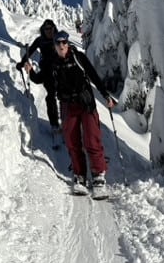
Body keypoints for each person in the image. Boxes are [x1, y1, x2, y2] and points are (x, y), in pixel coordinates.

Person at [25, 30, 117, 196]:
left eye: (64, 42)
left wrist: (105, 95)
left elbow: (93, 76)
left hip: (86, 102)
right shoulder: (51, 62)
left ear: (68, 43)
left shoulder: (78, 57)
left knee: (91, 139)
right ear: (54, 45)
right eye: (58, 42)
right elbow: (39, 79)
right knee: (72, 141)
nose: (62, 45)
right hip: (68, 104)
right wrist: (30, 71)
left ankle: (98, 176)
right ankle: (79, 175)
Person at [15, 19, 62, 132]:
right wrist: (22, 63)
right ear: (43, 30)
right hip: (47, 71)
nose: (49, 31)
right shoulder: (40, 40)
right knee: (50, 97)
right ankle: (54, 124)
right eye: (46, 29)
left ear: (54, 28)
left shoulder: (58, 38)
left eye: (51, 28)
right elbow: (30, 51)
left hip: (61, 71)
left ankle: (67, 122)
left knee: (64, 97)